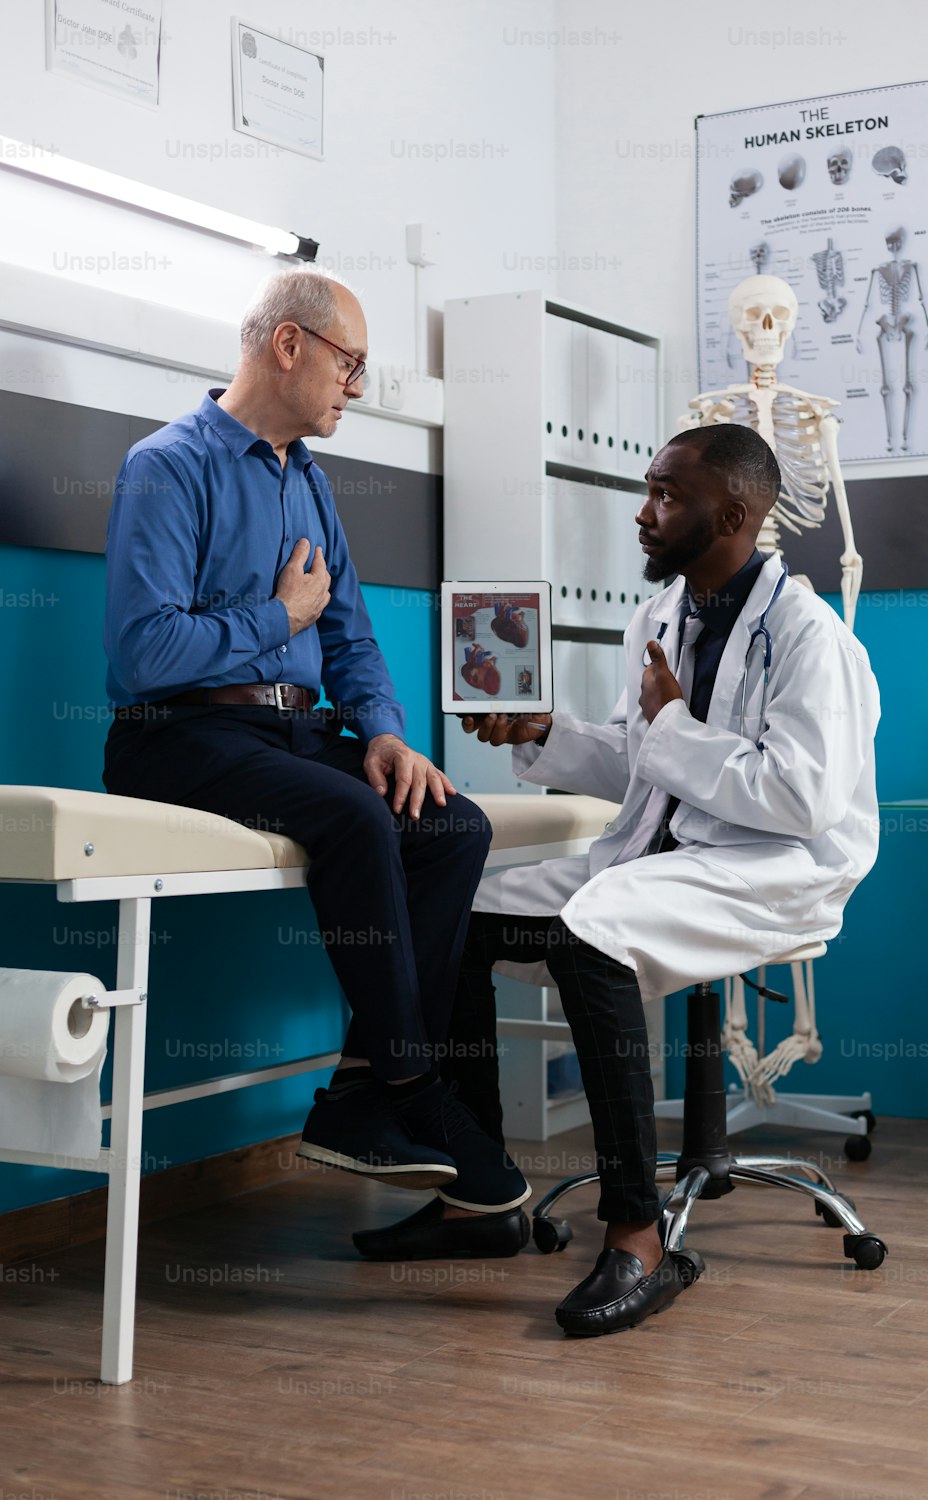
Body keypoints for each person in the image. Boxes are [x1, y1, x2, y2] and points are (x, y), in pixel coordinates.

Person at [364, 425, 880, 1332]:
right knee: (461, 912)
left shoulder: (809, 638)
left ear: (734, 514)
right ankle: (479, 1198)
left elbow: (800, 797)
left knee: (592, 932)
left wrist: (673, 726)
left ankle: (640, 1238)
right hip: (664, 858)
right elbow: (643, 760)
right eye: (648, 492)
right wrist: (544, 734)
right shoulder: (661, 617)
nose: (645, 515)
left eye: (667, 497)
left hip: (772, 871)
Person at [101, 270, 530, 1238]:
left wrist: (382, 730)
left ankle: (362, 1084)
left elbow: (349, 637)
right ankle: (412, 1085)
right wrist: (273, 616)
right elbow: (144, 653)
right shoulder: (167, 466)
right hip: (177, 735)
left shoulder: (311, 484)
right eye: (352, 364)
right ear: (287, 346)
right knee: (351, 817)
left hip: (291, 731)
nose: (359, 388)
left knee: (453, 824)